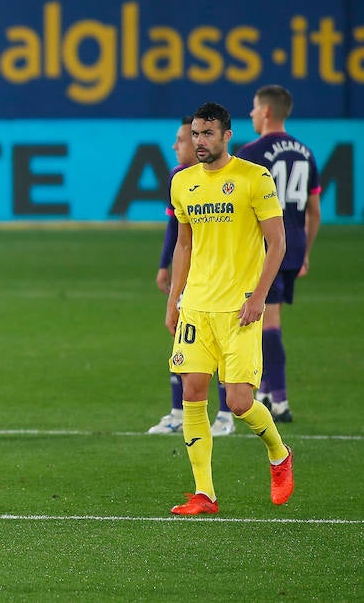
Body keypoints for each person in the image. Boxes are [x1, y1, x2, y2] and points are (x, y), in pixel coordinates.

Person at [164, 102, 293, 516]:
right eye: (195, 134)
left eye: (207, 134)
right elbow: (184, 245)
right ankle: (205, 493)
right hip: (197, 308)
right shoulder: (183, 183)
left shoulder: (254, 178)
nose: (199, 142)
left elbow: (278, 243)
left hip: (239, 309)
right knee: (192, 392)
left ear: (226, 136)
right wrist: (175, 300)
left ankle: (278, 453)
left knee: (238, 402)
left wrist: (259, 297)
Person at [235, 85, 321, 424]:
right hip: (294, 244)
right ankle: (269, 390)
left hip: (266, 247)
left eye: (254, 108)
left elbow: (239, 208)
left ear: (267, 111)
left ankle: (280, 400)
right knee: (271, 318)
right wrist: (306, 252)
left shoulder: (252, 152)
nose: (252, 114)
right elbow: (314, 211)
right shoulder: (305, 152)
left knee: (265, 320)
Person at [148, 118, 235, 437]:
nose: (177, 145)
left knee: (225, 345)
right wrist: (164, 267)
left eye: (182, 139)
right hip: (193, 276)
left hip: (223, 277)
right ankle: (179, 412)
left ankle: (226, 415)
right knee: (182, 342)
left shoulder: (229, 177)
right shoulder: (179, 179)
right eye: (187, 137)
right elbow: (176, 231)